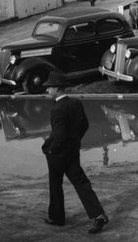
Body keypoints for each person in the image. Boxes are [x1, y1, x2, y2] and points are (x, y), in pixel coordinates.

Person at [41, 71, 109, 234]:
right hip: (73, 151)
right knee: (81, 183)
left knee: (55, 185)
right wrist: (75, 141)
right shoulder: (76, 103)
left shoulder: (57, 109)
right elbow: (84, 125)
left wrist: (50, 149)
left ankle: (57, 218)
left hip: (58, 154)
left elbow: (59, 136)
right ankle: (98, 215)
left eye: (49, 88)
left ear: (57, 88)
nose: (47, 91)